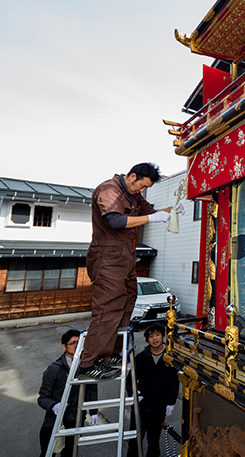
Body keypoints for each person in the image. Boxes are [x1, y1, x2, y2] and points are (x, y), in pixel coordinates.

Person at [78, 163, 184, 380]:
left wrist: (170, 212)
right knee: (108, 307)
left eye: (146, 188)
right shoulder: (109, 190)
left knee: (127, 302)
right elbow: (115, 221)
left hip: (126, 257)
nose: (142, 191)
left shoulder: (134, 194)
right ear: (132, 176)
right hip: (107, 256)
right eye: (141, 186)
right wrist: (152, 218)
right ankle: (88, 362)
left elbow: (151, 212)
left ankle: (111, 354)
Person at [38, 329, 98, 457]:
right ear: (63, 346)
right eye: (73, 343)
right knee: (48, 453)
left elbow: (92, 389)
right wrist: (54, 406)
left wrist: (93, 412)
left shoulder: (86, 366)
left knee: (70, 453)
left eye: (80, 342)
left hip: (76, 421)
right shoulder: (54, 369)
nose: (77, 345)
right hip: (55, 422)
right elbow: (42, 398)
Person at [127, 323, 179, 457]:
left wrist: (171, 403)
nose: (155, 339)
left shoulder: (170, 357)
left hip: (159, 407)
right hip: (141, 406)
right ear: (147, 339)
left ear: (163, 336)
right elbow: (129, 380)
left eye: (157, 335)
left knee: (153, 441)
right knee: (134, 441)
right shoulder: (141, 358)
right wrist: (133, 393)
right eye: (151, 336)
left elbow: (174, 382)